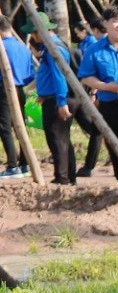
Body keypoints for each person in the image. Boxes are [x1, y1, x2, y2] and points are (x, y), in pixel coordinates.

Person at [78, 5, 118, 184]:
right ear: (105, 24)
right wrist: (107, 87)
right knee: (117, 153)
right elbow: (86, 77)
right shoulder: (95, 50)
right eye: (115, 21)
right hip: (110, 106)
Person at [23, 13, 75, 185]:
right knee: (63, 138)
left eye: (33, 33)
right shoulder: (53, 46)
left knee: (57, 139)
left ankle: (63, 178)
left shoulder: (54, 49)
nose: (33, 37)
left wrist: (61, 103)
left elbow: (59, 77)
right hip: (52, 98)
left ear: (39, 32)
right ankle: (68, 176)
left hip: (58, 100)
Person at [0, 15, 35, 178]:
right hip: (20, 88)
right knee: (20, 125)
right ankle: (25, 163)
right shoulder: (23, 47)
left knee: (4, 126)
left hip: (3, 89)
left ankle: (12, 166)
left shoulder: (2, 47)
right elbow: (30, 74)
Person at [72, 18, 103, 177]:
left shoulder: (94, 45)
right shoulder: (89, 44)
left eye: (78, 33)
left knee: (97, 131)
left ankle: (89, 166)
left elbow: (95, 71)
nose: (77, 36)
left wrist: (93, 92)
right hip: (95, 89)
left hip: (98, 90)